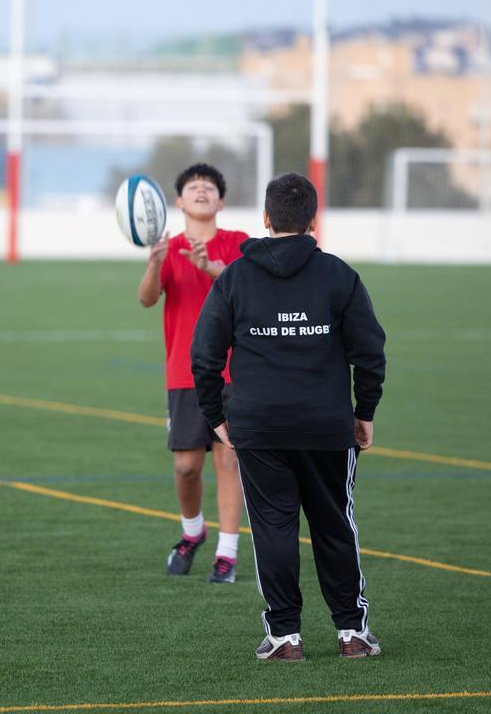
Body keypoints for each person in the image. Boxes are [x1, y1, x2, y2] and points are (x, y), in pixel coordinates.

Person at [190, 172, 387, 660]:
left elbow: (204, 355)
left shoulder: (235, 276)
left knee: (274, 528)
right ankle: (351, 634)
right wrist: (364, 412)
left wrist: (216, 415)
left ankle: (284, 637)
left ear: (265, 219)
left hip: (259, 427)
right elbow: (371, 352)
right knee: (334, 526)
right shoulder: (340, 275)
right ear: (313, 221)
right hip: (326, 426)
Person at [138, 163, 249, 583]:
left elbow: (248, 286)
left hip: (233, 372)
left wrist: (211, 268)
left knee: (229, 460)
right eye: (192, 186)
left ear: (221, 201)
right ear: (180, 201)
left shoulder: (239, 244)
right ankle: (193, 532)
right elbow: (147, 299)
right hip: (183, 373)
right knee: (186, 466)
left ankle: (227, 554)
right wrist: (153, 264)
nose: (201, 190)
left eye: (209, 187)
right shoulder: (168, 248)